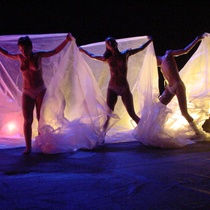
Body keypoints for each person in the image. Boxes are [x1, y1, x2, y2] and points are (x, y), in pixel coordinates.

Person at [0, 32, 73, 154]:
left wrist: (66, 41)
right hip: (27, 91)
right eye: (21, 49)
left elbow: (54, 51)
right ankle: (28, 147)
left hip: (40, 90)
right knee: (27, 119)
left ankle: (40, 142)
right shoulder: (19, 57)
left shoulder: (38, 56)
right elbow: (6, 53)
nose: (23, 51)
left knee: (40, 118)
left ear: (31, 47)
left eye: (26, 49)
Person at [79, 36, 153, 131]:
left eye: (112, 42)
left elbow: (140, 48)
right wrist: (82, 50)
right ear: (107, 47)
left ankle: (146, 131)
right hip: (112, 88)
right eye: (108, 43)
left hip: (124, 88)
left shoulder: (125, 54)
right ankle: (102, 135)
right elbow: (92, 56)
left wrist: (149, 41)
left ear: (116, 43)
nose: (111, 44)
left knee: (132, 113)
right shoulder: (108, 58)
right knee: (108, 115)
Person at [156, 34, 205, 137]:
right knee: (158, 107)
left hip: (178, 86)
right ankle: (157, 129)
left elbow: (185, 50)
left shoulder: (167, 55)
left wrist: (197, 39)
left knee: (184, 112)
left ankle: (197, 132)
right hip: (170, 88)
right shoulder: (160, 66)